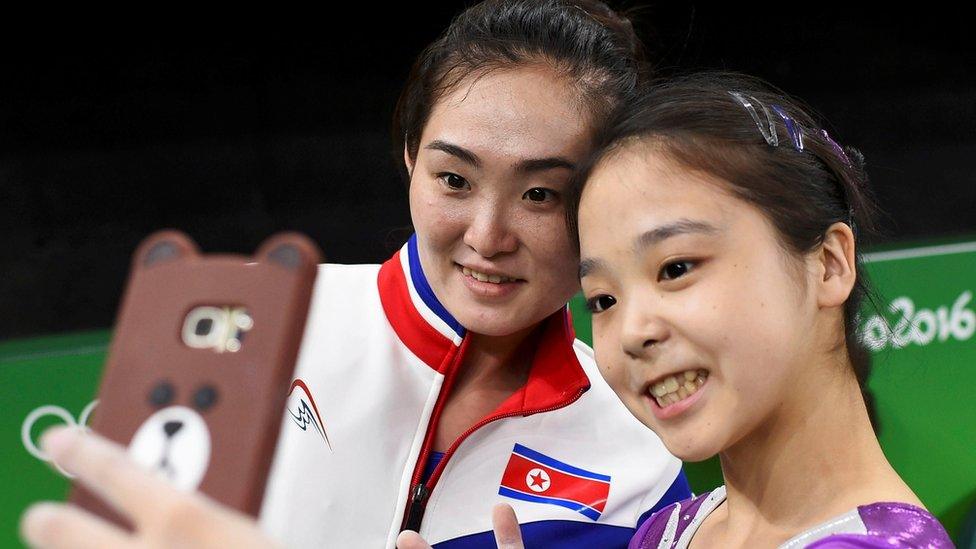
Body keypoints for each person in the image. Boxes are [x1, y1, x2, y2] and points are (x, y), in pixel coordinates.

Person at [19, 2, 691, 548]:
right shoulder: (260, 321)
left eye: (540, 194)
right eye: (454, 179)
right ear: (409, 158)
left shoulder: (640, 449)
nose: (486, 236)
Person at [569, 72, 954, 547]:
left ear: (829, 266)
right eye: (603, 300)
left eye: (675, 268)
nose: (632, 331)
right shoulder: (667, 531)